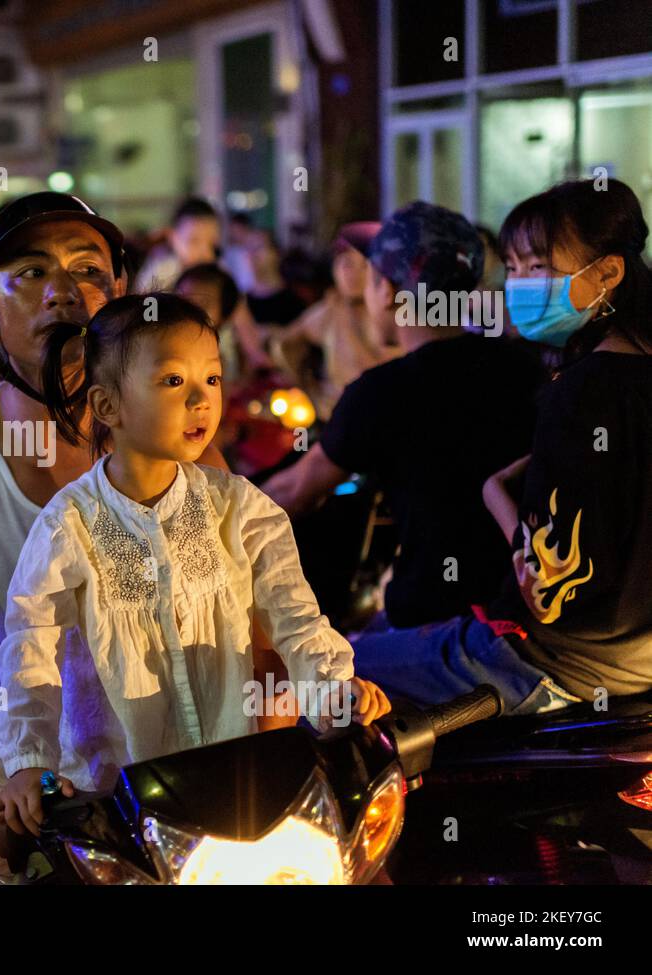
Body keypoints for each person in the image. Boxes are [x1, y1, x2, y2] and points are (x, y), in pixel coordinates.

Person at [0, 293, 390, 832]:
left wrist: (334, 688)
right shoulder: (69, 524)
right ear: (108, 407)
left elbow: (297, 620)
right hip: (116, 804)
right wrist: (28, 763)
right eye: (174, 382)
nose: (202, 400)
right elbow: (29, 643)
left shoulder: (242, 507)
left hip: (234, 783)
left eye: (213, 380)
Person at [0, 193, 231, 809]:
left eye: (87, 269)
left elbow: (250, 610)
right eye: (31, 273)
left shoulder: (179, 431)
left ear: (118, 293)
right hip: (8, 789)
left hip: (160, 780)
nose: (62, 291)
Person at [351, 177, 652, 713]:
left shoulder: (583, 391)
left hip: (555, 661)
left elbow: (551, 588)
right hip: (637, 660)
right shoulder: (622, 372)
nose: (520, 286)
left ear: (608, 271)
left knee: (327, 672)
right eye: (512, 269)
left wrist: (495, 493)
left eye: (538, 268)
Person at [264, 202, 545, 630]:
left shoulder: (381, 391)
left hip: (434, 621)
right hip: (527, 605)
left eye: (371, 278)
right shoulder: (526, 366)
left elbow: (294, 490)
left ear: (389, 291)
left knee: (329, 676)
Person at [271, 228, 401, 418]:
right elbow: (284, 344)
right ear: (334, 268)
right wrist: (310, 388)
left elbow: (379, 375)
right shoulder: (326, 311)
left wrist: (344, 317)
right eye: (347, 264)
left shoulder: (391, 313)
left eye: (364, 265)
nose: (355, 274)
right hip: (334, 417)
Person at [133, 196, 224, 293]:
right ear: (174, 239)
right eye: (194, 241)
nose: (206, 253)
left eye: (212, 243)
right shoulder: (161, 274)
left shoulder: (217, 275)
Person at [243, 228, 307, 328]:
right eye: (248, 248)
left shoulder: (295, 302)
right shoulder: (241, 304)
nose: (253, 255)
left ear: (276, 254)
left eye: (258, 247)